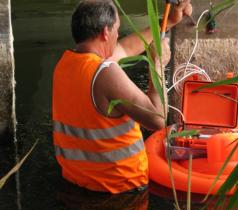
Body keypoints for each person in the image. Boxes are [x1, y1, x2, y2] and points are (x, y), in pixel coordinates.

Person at [52, 0, 192, 194]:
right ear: (105, 33)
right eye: (117, 29)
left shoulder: (66, 64)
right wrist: (158, 64)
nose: (119, 35)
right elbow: (158, 119)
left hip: (75, 185)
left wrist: (168, 22)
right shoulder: (106, 73)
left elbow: (126, 48)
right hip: (119, 191)